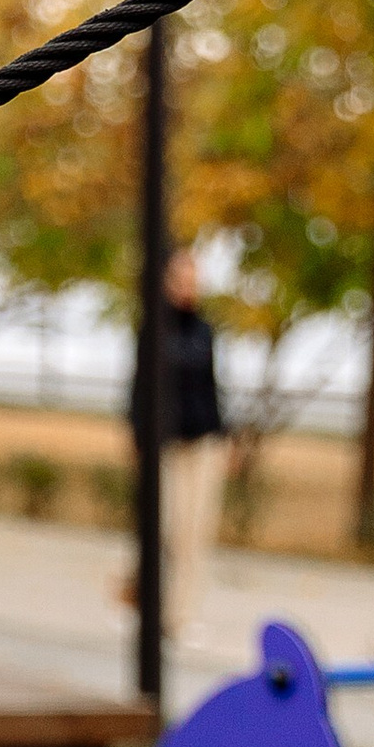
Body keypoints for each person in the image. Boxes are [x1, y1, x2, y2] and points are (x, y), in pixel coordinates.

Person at [130, 248, 227, 637]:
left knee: (195, 533)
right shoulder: (153, 329)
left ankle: (180, 617)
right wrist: (138, 435)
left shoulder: (205, 330)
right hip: (165, 444)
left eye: (193, 278)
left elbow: (213, 387)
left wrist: (225, 435)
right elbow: (139, 388)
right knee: (166, 527)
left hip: (204, 443)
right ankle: (140, 595)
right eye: (180, 277)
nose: (187, 285)